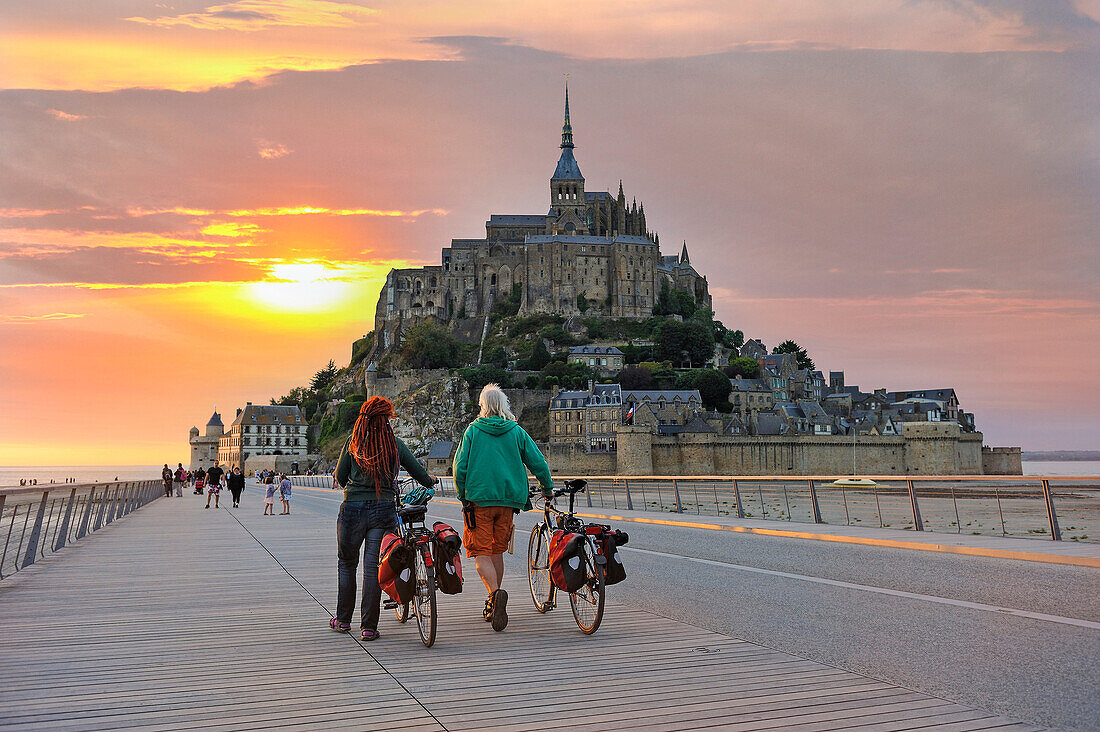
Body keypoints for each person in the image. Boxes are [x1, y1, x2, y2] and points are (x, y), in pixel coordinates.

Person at [332, 396, 435, 642]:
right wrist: (430, 483)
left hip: (353, 509)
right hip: (383, 509)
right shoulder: (394, 444)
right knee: (372, 569)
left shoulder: (353, 442)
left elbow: (340, 475)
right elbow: (418, 472)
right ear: (386, 419)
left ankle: (343, 620)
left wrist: (354, 490)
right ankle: (369, 627)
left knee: (347, 565)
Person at [453, 383, 553, 632]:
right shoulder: (516, 431)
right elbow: (538, 461)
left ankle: (495, 595)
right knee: (497, 551)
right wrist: (547, 489)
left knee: (480, 553)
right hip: (508, 502)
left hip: (479, 501)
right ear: (504, 405)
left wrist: (462, 494)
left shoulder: (473, 431)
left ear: (483, 406)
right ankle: (493, 602)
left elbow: (460, 466)